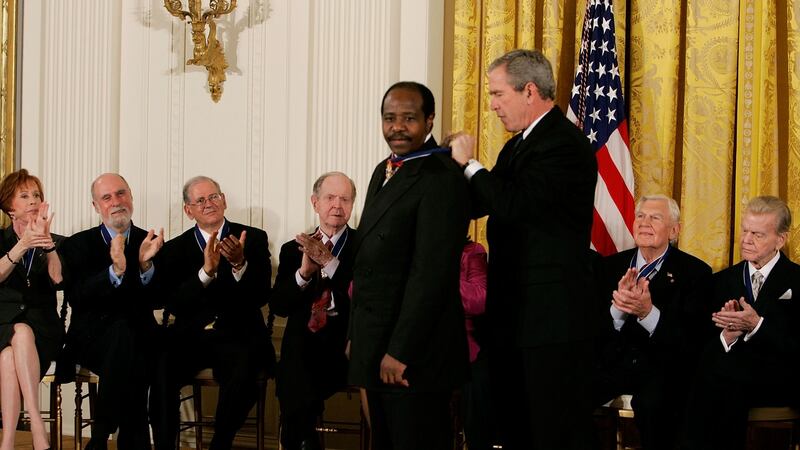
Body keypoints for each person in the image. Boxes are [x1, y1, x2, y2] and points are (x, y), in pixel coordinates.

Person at [448, 49, 597, 449]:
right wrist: (443, 167)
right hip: (514, 318)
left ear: (529, 90)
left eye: (498, 94)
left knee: (548, 430)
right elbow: (482, 202)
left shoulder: (563, 145)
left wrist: (471, 164)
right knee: (515, 428)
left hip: (549, 322)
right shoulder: (518, 147)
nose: (493, 105)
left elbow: (512, 205)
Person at [348, 81, 470, 449]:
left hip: (414, 353)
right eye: (389, 118)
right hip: (376, 340)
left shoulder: (442, 175)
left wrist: (400, 351)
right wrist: (358, 333)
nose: (397, 127)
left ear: (429, 121)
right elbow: (369, 262)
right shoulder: (382, 169)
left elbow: (430, 275)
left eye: (408, 118)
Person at [149, 175, 275, 450]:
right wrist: (205, 273)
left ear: (224, 201)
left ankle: (220, 444)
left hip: (239, 335)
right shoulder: (173, 250)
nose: (209, 204)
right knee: (160, 365)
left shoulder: (252, 238)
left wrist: (240, 263)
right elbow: (173, 303)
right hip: (192, 337)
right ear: (188, 210)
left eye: (214, 197)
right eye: (200, 200)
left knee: (243, 369)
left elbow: (262, 294)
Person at [593, 195, 713, 450]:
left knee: (655, 404)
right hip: (613, 364)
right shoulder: (608, 267)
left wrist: (648, 313)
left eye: (655, 217)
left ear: (674, 230)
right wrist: (617, 309)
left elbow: (690, 342)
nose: (644, 223)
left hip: (662, 368)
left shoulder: (696, 273)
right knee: (564, 391)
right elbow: (592, 333)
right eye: (640, 216)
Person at [684, 196, 800, 450]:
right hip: (728, 377)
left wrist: (757, 325)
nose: (746, 240)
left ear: (780, 240)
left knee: (723, 383)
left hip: (781, 378)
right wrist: (727, 337)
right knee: (705, 378)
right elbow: (700, 344)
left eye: (757, 234)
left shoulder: (797, 280)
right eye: (745, 231)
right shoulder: (720, 281)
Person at [59, 173, 164, 450]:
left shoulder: (150, 241)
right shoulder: (76, 245)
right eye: (107, 197)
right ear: (96, 206)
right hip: (91, 339)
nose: (116, 202)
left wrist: (144, 267)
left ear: (131, 197)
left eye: (121, 194)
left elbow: (162, 299)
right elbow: (77, 298)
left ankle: (101, 435)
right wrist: (114, 271)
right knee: (126, 338)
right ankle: (132, 438)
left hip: (139, 338)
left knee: (130, 340)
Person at [271, 171, 357, 450]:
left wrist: (331, 263)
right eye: (330, 198)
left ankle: (300, 439)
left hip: (345, 342)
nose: (337, 205)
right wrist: (304, 274)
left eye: (345, 199)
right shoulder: (292, 248)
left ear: (352, 205)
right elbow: (280, 307)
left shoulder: (366, 246)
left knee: (298, 380)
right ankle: (305, 440)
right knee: (296, 362)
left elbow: (367, 299)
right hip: (303, 343)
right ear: (315, 202)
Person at [0, 170, 63, 450]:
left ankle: (8, 443)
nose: (33, 201)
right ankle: (37, 426)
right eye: (24, 196)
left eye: (36, 195)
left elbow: (58, 279)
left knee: (10, 353)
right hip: (2, 325)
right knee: (14, 339)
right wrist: (24, 243)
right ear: (9, 207)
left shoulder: (56, 241)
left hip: (43, 330)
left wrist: (47, 244)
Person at [458, 238, 490, 450]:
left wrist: (438, 272)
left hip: (463, 347)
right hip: (418, 344)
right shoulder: (410, 247)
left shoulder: (471, 252)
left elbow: (480, 299)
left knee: (477, 384)